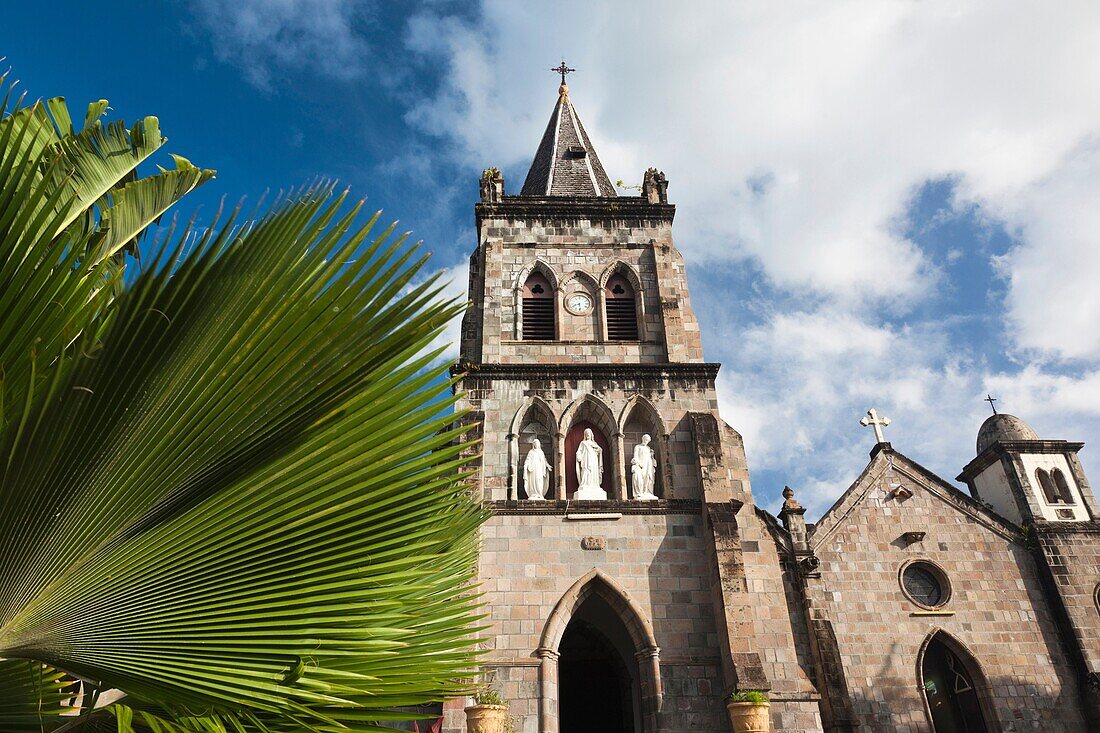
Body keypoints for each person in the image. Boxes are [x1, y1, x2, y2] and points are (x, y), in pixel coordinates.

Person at [575, 428, 605, 499]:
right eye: (586, 433)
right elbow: (579, 451)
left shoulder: (594, 443)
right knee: (586, 470)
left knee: (593, 472)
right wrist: (578, 456)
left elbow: (600, 450)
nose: (588, 434)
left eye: (589, 433)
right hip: (585, 459)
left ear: (591, 435)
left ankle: (594, 485)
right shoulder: (583, 443)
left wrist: (597, 448)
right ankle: (585, 484)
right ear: (585, 435)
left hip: (593, 460)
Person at [631, 434, 657, 500]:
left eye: (648, 441)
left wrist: (652, 456)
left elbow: (650, 457)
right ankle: (641, 492)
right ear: (643, 439)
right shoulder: (638, 447)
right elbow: (635, 456)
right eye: (646, 440)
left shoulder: (648, 448)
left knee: (649, 477)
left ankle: (647, 492)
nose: (646, 441)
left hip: (648, 464)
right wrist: (638, 464)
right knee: (640, 478)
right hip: (641, 465)